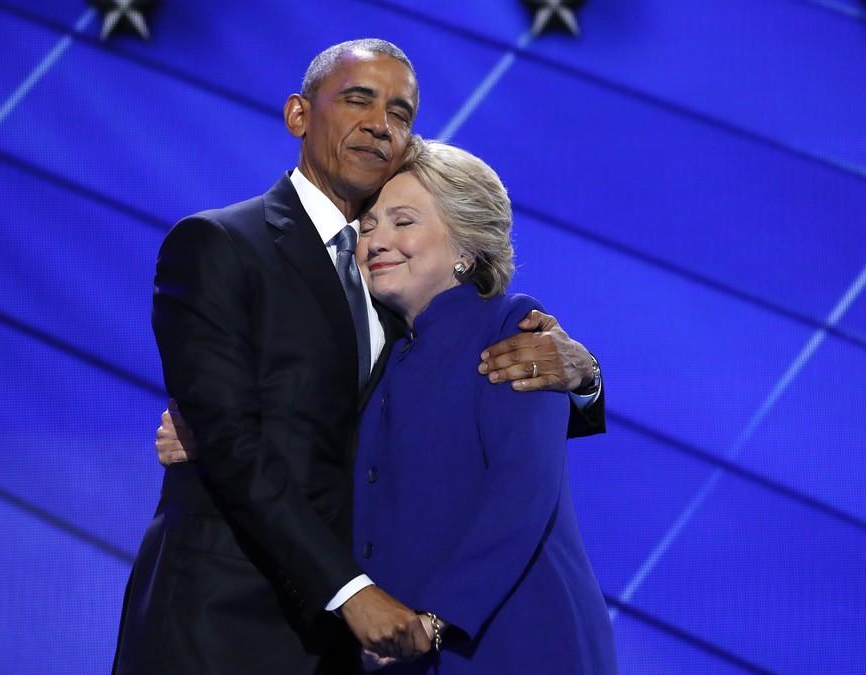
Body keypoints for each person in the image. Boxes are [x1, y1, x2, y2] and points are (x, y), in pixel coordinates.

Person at [114, 39, 605, 675]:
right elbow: (233, 434)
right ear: (298, 115)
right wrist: (351, 591)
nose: (381, 123)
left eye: (400, 113)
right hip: (229, 621)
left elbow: (488, 428)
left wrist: (586, 375)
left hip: (373, 642)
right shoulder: (219, 245)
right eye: (357, 99)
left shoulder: (409, 295)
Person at [352, 140, 616, 673]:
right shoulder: (380, 350)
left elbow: (522, 488)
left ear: (465, 250)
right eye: (368, 225)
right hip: (405, 652)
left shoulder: (512, 327)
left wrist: (438, 618)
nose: (377, 240)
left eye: (402, 222)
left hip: (515, 642)